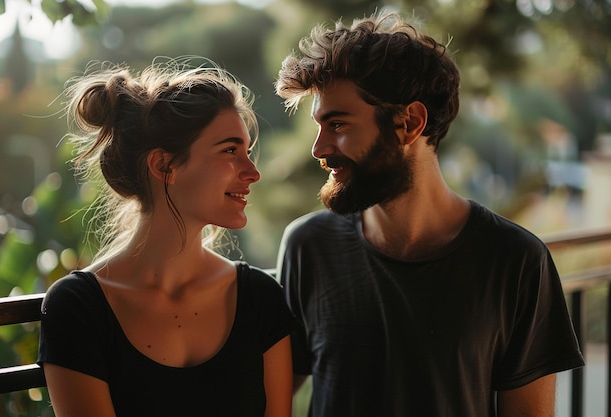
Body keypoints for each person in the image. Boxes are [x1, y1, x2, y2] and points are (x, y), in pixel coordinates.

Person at [274, 11, 584, 417]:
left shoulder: (517, 261)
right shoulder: (308, 247)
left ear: (410, 123)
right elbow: (269, 402)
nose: (319, 148)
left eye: (338, 124)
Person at [38, 57, 297, 417]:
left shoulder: (260, 299)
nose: (252, 172)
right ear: (164, 165)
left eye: (247, 152)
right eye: (229, 150)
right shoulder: (79, 307)